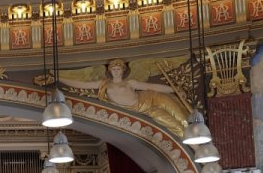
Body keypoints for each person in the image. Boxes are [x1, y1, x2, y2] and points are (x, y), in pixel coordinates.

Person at [56, 57, 189, 136]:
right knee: (177, 127)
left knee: (183, 119)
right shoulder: (105, 85)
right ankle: (195, 147)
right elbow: (82, 84)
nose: (116, 71)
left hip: (153, 98)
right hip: (145, 110)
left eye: (119, 69)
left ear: (123, 70)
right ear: (110, 71)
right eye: (114, 69)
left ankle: (202, 148)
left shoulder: (130, 82)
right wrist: (57, 78)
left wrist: (174, 90)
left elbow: (152, 87)